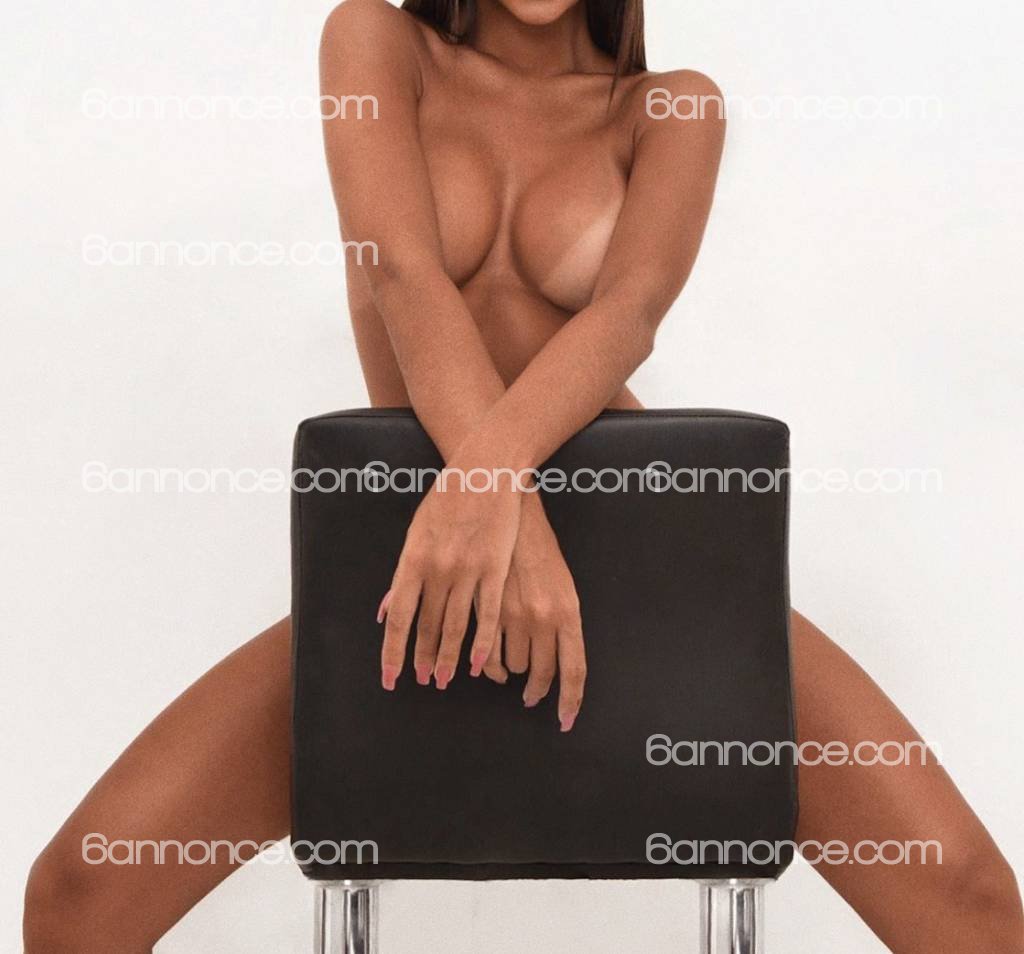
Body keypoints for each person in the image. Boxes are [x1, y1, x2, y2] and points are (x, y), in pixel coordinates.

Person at [22, 0, 1023, 950]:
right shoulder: (377, 45)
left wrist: (498, 496)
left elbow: (628, 314)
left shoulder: (673, 109)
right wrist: (503, 514)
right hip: (418, 561)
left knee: (970, 900)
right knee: (81, 895)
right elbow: (402, 272)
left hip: (644, 557)